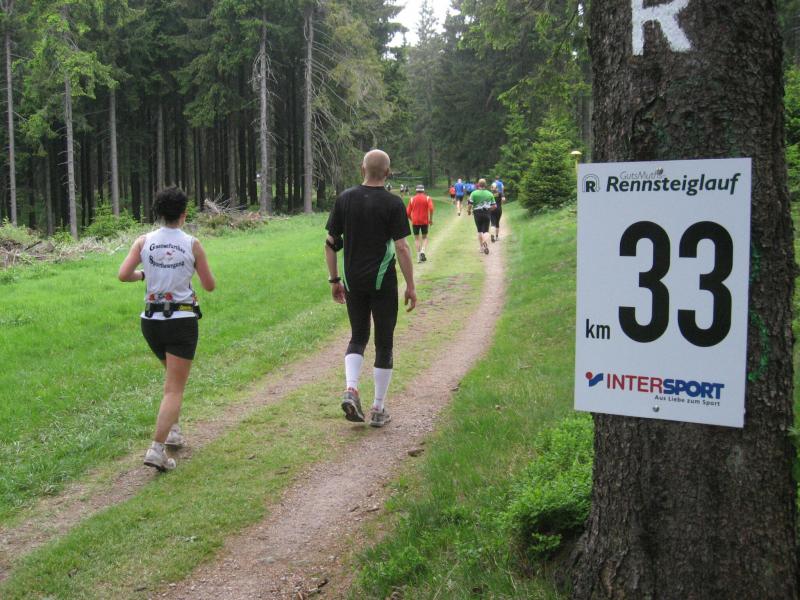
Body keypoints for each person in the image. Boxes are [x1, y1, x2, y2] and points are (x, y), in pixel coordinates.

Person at [118, 187, 216, 472]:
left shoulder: (143, 241)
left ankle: (173, 431)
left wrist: (143, 275)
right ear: (184, 214)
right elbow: (209, 285)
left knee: (171, 382)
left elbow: (123, 274)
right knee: (174, 389)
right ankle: (157, 449)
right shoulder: (192, 244)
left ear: (159, 213)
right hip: (181, 321)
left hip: (151, 322)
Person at [324, 149, 417, 428]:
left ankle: (351, 389)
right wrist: (411, 286)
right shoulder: (393, 203)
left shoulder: (344, 199)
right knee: (384, 341)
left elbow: (330, 243)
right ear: (388, 172)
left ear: (361, 168)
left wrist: (334, 280)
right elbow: (401, 247)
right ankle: (378, 408)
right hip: (382, 282)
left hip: (353, 281)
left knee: (358, 336)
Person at [406, 184, 435, 262]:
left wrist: (412, 220)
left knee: (416, 239)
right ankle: (423, 251)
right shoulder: (427, 198)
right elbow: (431, 209)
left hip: (415, 221)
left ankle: (418, 257)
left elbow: (407, 213)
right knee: (425, 237)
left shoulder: (412, 199)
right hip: (424, 221)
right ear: (423, 190)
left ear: (416, 191)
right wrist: (430, 219)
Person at [468, 178, 497, 255]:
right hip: (486, 213)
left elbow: (470, 204)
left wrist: (469, 211)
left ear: (478, 184)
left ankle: (481, 247)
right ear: (485, 185)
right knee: (486, 231)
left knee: (479, 231)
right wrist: (489, 210)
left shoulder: (473, 193)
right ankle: (485, 241)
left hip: (477, 213)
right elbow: (494, 206)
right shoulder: (490, 194)